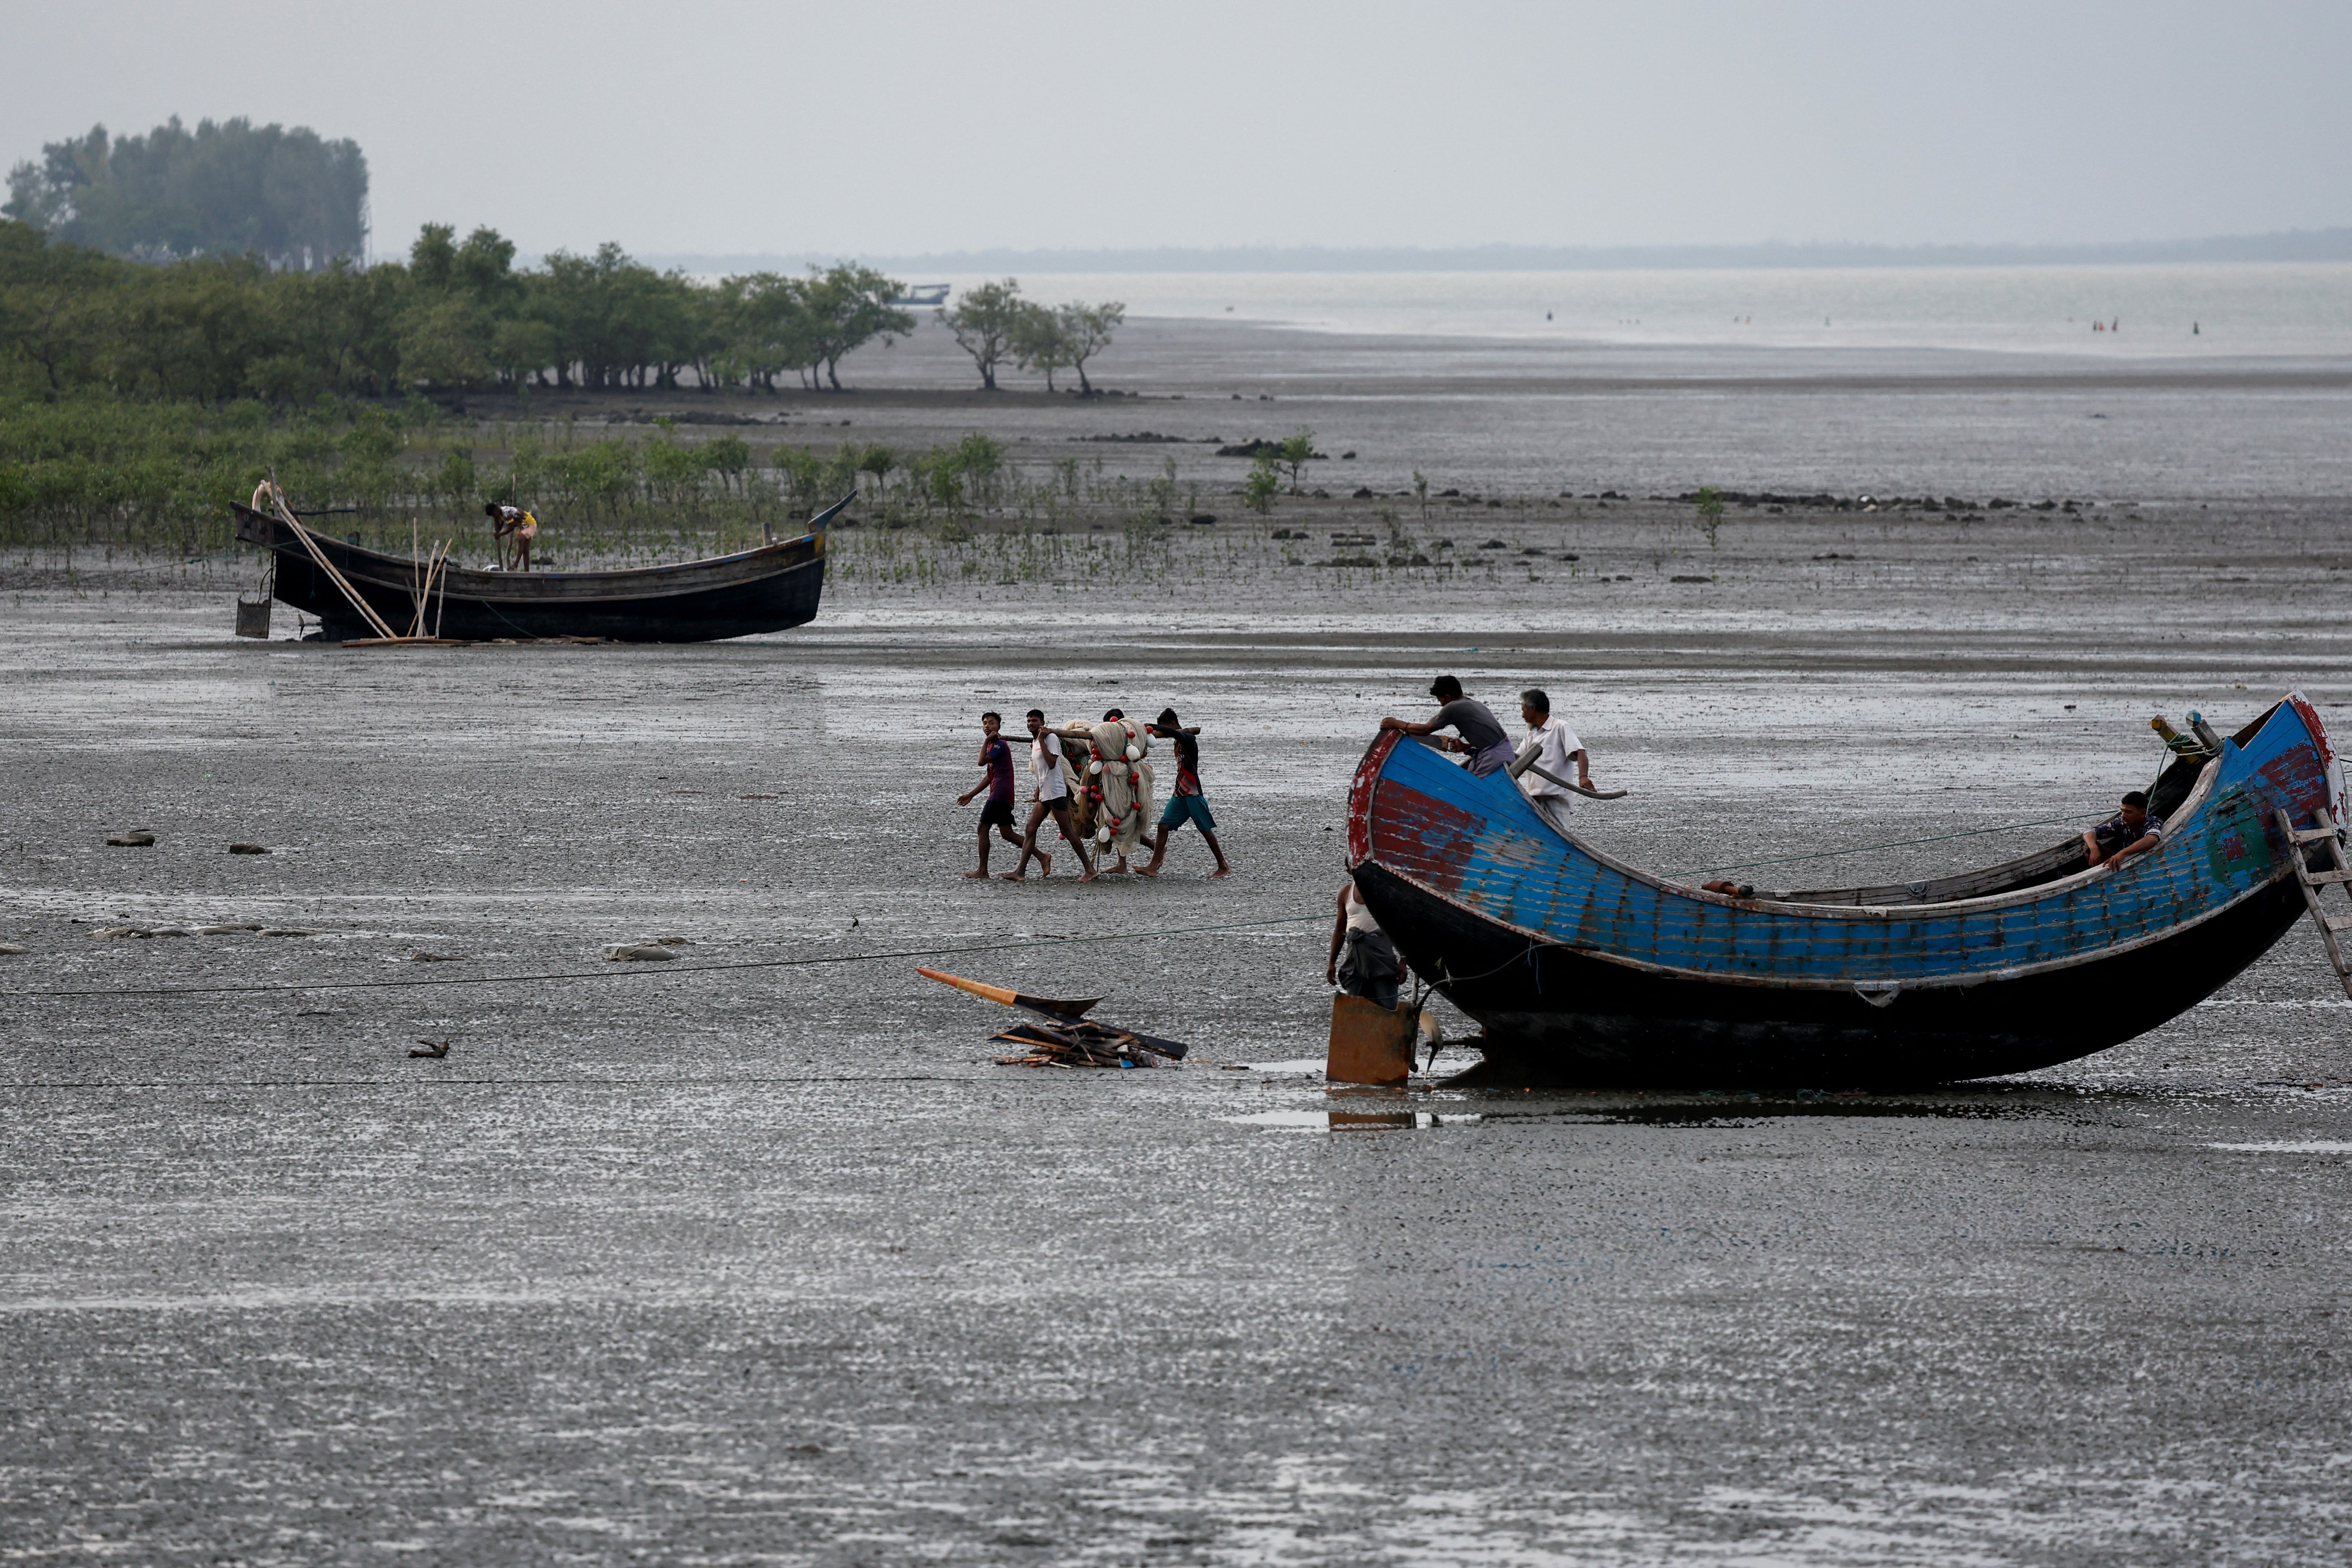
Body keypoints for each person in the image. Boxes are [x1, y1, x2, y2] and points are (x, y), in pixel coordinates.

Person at [1137, 706, 1232, 879]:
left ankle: (1223, 866)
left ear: (1173, 724)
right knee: (1163, 826)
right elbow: (1175, 736)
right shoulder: (1178, 741)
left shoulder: (1188, 738)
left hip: (1192, 791)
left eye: (1166, 727)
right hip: (1180, 792)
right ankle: (1153, 866)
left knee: (1204, 829)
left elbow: (1177, 734)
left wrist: (1153, 726)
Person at [1004, 709, 1095, 882]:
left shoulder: (1051, 738)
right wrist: (1038, 789)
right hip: (1046, 793)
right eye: (1029, 721)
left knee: (1067, 830)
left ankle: (1090, 869)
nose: (1031, 723)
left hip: (1055, 792)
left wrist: (1041, 740)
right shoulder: (1036, 741)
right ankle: (1020, 872)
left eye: (1035, 721)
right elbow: (1041, 769)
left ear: (1043, 723)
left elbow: (1052, 763)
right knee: (1031, 829)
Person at [1380, 676, 1514, 776]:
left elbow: (1425, 730)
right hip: (1503, 752)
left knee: (1469, 790)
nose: (1442, 705)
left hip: (1494, 757)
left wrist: (1396, 723)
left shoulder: (1453, 707)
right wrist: (1465, 747)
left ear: (1448, 697)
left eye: (1441, 701)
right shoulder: (1475, 704)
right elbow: (1491, 740)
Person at [1514, 687, 1594, 836]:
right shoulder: (1531, 735)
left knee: (1562, 840)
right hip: (1535, 802)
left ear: (1532, 709)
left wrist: (1583, 777)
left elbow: (1580, 752)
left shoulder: (1560, 727)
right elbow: (1515, 761)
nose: (1523, 715)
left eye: (1523, 709)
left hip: (1556, 802)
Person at [956, 711, 1022, 879]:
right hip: (1000, 793)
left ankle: (983, 871)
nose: (987, 726)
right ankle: (1042, 856)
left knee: (982, 828)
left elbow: (981, 762)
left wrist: (986, 741)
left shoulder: (999, 745)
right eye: (985, 723)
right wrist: (971, 795)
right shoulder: (994, 746)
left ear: (998, 726)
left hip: (1000, 794)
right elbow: (989, 776)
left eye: (991, 723)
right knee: (1007, 834)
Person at [1328, 879, 1406, 1009]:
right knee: (1355, 1006)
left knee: (1388, 1005)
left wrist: (1403, 960)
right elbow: (1340, 929)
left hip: (1382, 959)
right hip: (1355, 960)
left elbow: (1400, 927)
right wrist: (1332, 963)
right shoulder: (1346, 892)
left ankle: (1389, 1029)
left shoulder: (1387, 891)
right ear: (1349, 870)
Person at [2083, 791, 2165, 871]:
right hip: (2125, 863)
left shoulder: (2152, 822)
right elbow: (2089, 832)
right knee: (2088, 847)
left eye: (2128, 812)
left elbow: (2152, 839)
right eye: (2122, 811)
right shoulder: (2123, 823)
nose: (2123, 816)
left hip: (2144, 865)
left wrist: (2123, 853)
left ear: (2143, 813)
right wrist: (2094, 848)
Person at [485, 502, 540, 571]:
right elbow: (501, 523)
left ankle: (516, 564)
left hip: (530, 523)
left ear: (496, 511)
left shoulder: (507, 513)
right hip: (523, 526)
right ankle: (527, 572)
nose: (494, 517)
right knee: (525, 551)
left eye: (494, 515)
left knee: (521, 539)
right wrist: (497, 532)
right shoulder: (500, 514)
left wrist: (500, 535)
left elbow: (511, 528)